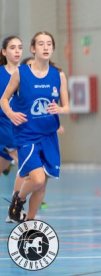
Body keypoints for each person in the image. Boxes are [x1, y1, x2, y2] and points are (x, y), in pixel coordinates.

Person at [0, 31, 69, 222]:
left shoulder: (58, 76)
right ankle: (18, 199)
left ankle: (29, 222)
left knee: (42, 185)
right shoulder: (21, 73)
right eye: (41, 44)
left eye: (49, 44)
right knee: (36, 179)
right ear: (33, 49)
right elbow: (4, 100)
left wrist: (60, 110)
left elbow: (67, 106)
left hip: (49, 137)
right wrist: (11, 114)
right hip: (27, 135)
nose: (46, 47)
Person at [0, 35, 27, 222]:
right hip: (4, 126)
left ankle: (14, 208)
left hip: (19, 126)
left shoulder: (27, 73)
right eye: (12, 47)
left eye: (19, 47)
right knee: (27, 164)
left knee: (9, 165)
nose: (17, 51)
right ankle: (15, 208)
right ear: (4, 52)